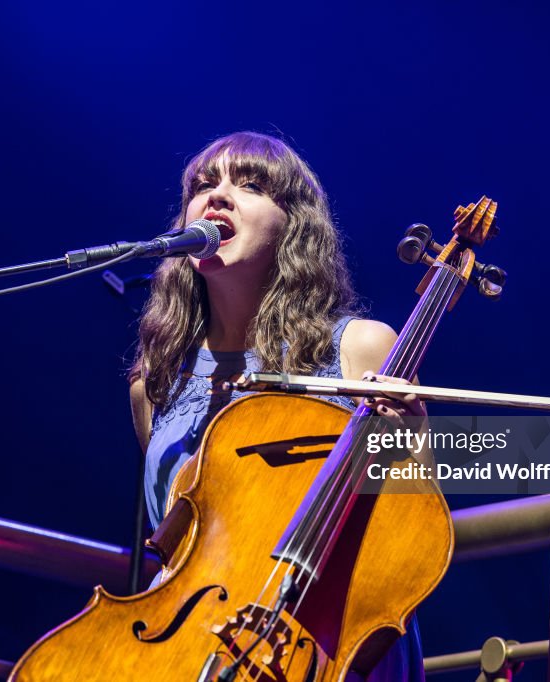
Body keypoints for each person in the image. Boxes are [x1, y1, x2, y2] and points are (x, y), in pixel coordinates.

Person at [128, 131, 426, 681]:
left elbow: (411, 527)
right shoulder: (155, 383)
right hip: (186, 649)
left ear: (294, 225)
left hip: (318, 645)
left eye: (249, 185)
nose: (216, 197)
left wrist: (409, 442)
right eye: (203, 185)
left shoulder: (358, 348)